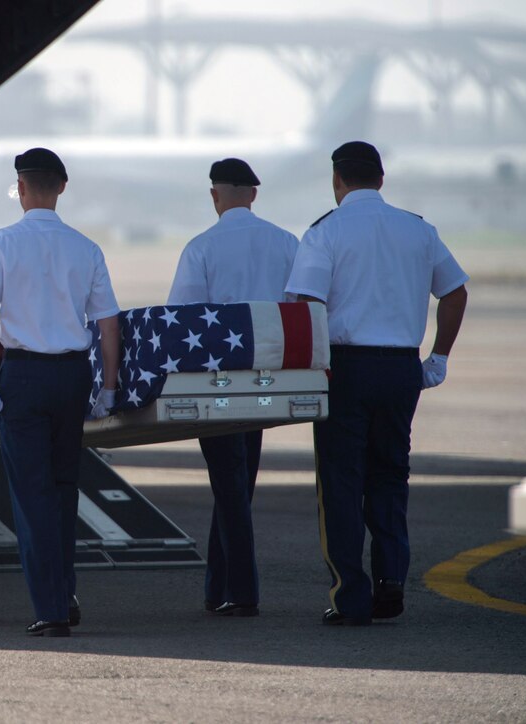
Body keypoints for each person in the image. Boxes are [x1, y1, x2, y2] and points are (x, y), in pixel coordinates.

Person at [285, 141, 468, 626]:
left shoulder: (324, 232)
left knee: (341, 481)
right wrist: (439, 355)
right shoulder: (418, 229)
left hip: (344, 367)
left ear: (336, 180)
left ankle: (350, 596)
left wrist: (311, 370)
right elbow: (455, 292)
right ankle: (391, 582)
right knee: (390, 474)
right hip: (401, 369)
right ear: (381, 180)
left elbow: (307, 303)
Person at [0, 147, 121, 637]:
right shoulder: (85, 247)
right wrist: (108, 388)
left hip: (25, 376)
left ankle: (50, 609)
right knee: (62, 490)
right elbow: (108, 322)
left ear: (21, 187)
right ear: (62, 188)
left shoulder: (2, 242)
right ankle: (65, 593)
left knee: (31, 496)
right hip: (73, 375)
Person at [167, 158, 299, 618]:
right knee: (237, 485)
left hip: (216, 383)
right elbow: (300, 310)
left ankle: (241, 591)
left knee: (229, 483)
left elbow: (180, 318)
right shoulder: (287, 243)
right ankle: (216, 586)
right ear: (254, 195)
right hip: (269, 380)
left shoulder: (201, 247)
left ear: (214, 196)